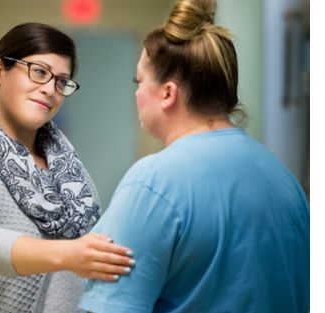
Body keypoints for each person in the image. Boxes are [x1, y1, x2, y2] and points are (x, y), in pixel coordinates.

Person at [79, 0, 310, 312]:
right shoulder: (285, 181)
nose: (136, 93)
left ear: (167, 93)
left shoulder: (153, 182)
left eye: (140, 81)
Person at [0, 22, 135, 313]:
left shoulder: (69, 172)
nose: (50, 89)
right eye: (39, 72)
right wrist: (70, 254)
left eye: (61, 81)